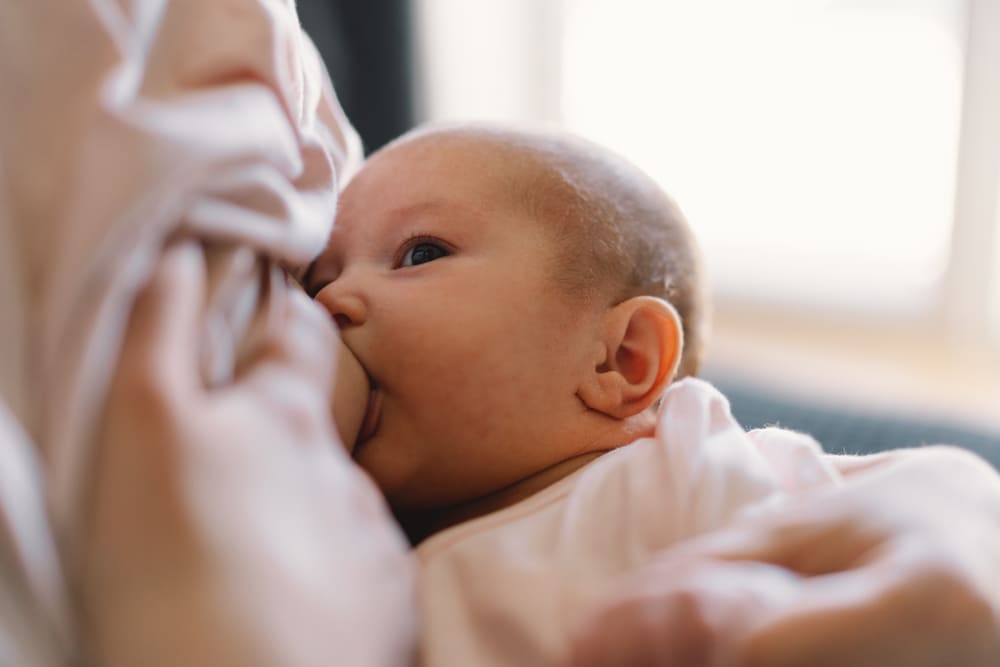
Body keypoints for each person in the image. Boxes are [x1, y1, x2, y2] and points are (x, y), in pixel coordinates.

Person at [308, 123, 1000, 666]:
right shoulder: (359, 559)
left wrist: (953, 496)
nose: (331, 300)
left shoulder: (686, 456)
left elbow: (930, 498)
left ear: (621, 358)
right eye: (316, 281)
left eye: (419, 253)